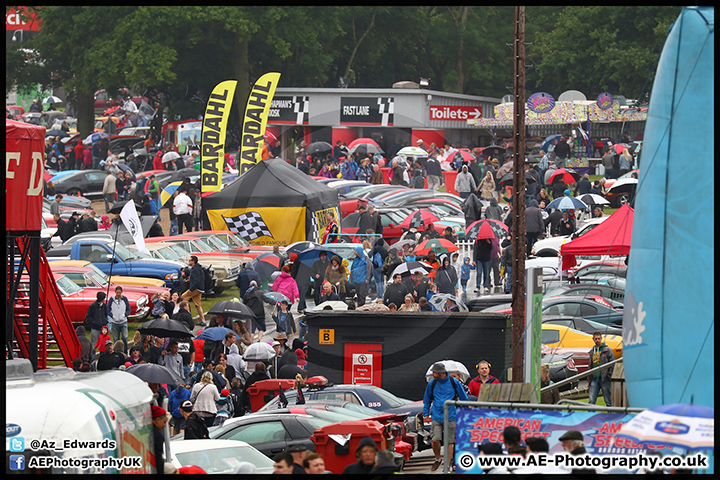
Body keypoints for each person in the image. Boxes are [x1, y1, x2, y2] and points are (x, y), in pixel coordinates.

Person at [423, 362, 468, 472]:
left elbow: (464, 398)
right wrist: (425, 414)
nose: (432, 374)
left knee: (449, 442)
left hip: (451, 416)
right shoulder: (432, 383)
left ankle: (447, 467)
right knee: (435, 440)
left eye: (435, 372)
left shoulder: (454, 382)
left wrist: (464, 412)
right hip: (436, 416)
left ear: (441, 373)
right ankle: (438, 459)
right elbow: (427, 399)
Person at [588, 331, 614, 406]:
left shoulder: (607, 350)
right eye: (596, 339)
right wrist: (589, 379)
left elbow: (612, 363)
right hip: (594, 379)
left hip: (605, 379)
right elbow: (590, 365)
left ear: (601, 339)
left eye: (599, 339)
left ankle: (610, 415)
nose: (597, 341)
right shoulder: (592, 352)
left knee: (608, 400)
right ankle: (591, 416)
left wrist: (609, 376)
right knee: (591, 401)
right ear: (593, 339)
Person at [181, 256, 206, 326]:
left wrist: (191, 289)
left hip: (196, 288)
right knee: (197, 305)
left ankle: (188, 317)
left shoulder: (195, 269)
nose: (189, 262)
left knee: (183, 298)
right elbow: (200, 278)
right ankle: (203, 320)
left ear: (193, 261)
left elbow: (197, 281)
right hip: (200, 288)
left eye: (190, 260)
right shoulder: (199, 268)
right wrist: (191, 279)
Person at [84, 291, 108, 361]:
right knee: (94, 344)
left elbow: (105, 314)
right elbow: (88, 316)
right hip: (95, 328)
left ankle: (103, 358)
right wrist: (94, 322)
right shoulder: (93, 306)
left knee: (103, 344)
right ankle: (92, 359)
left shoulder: (104, 306)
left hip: (103, 327)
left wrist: (105, 320)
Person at [107, 286, 130, 353]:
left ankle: (125, 352)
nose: (118, 294)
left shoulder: (124, 299)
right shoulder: (112, 299)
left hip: (123, 322)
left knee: (125, 337)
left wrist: (125, 315)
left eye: (119, 293)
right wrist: (112, 316)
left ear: (121, 292)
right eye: (117, 292)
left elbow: (128, 309)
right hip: (115, 322)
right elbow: (108, 310)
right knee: (116, 339)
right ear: (115, 292)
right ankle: (117, 352)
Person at [151, 406, 169, 471]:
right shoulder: (157, 435)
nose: (165, 425)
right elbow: (158, 458)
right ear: (157, 420)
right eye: (164, 422)